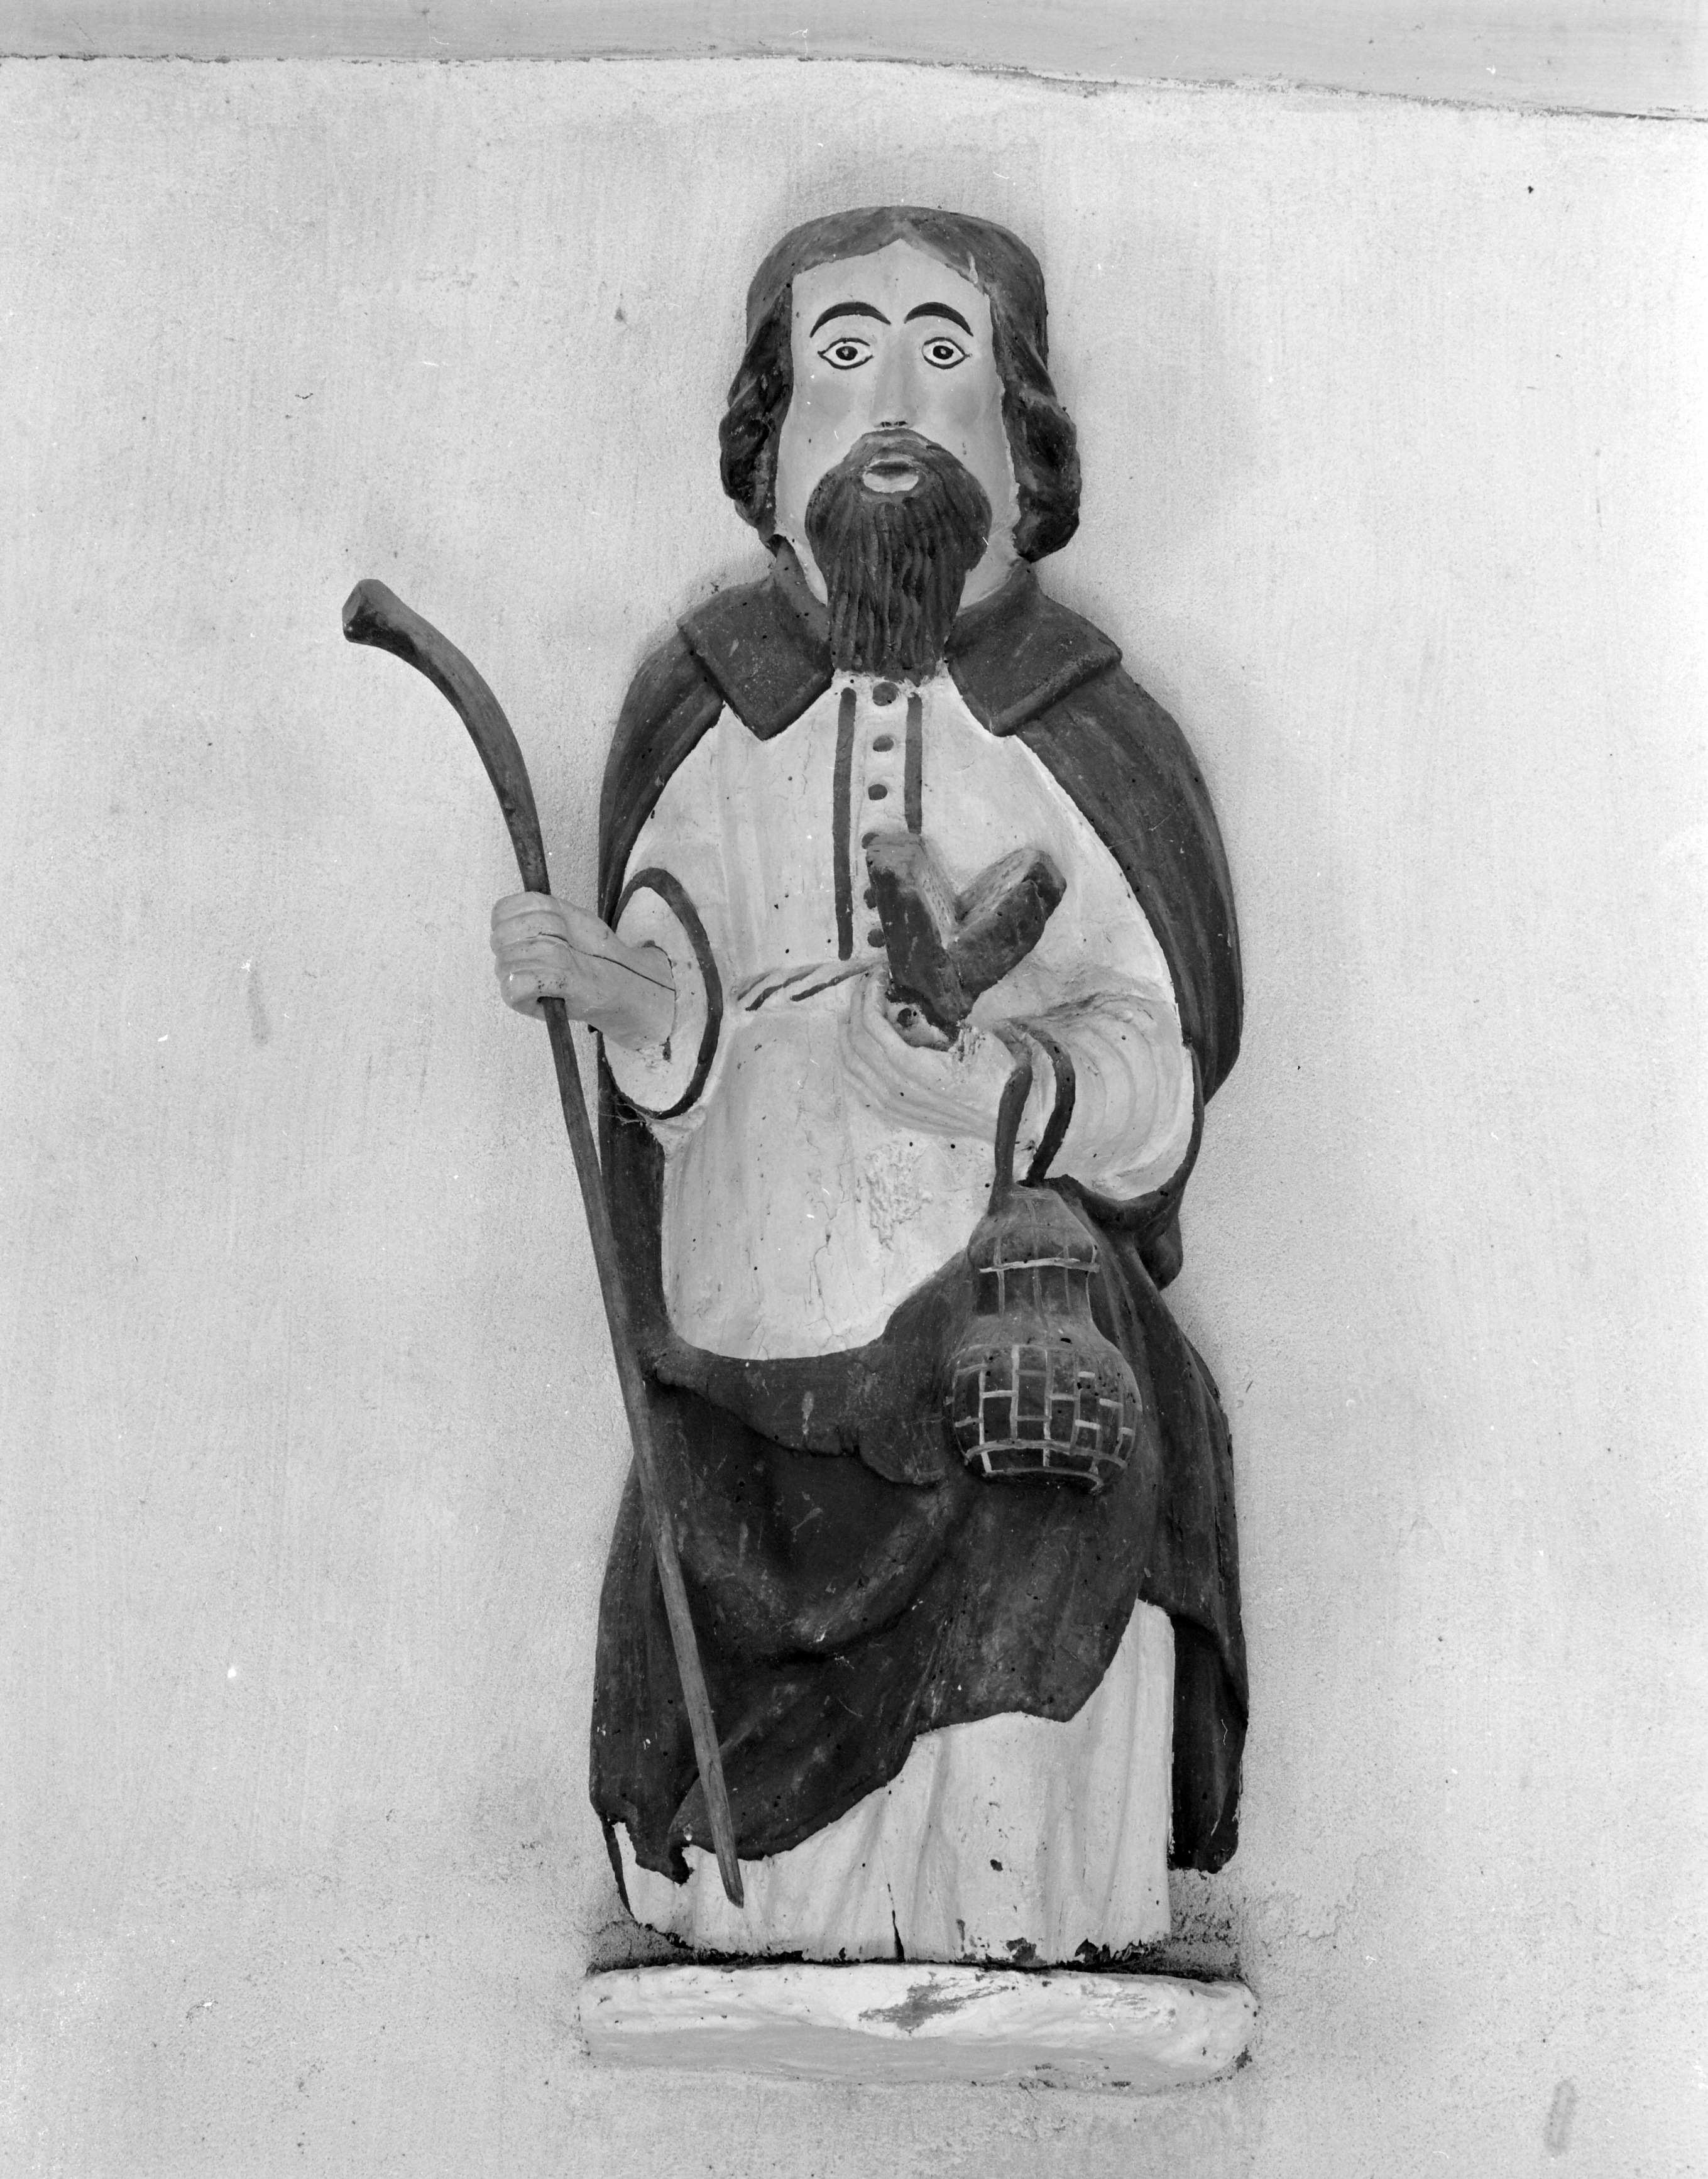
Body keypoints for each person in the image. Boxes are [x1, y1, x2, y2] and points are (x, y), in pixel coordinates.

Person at [491, 206, 1245, 1962]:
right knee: (702, 1545)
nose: (893, 397)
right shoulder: (710, 715)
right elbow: (672, 1026)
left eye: (941, 350)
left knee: (1052, 1482)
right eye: (843, 354)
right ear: (772, 451)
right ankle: (763, 1909)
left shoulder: (1083, 730)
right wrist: (608, 983)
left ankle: (1020, 1913)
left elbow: (1155, 1069)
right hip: (751, 1323)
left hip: (990, 1325)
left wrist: (991, 1085)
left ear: (1021, 440)